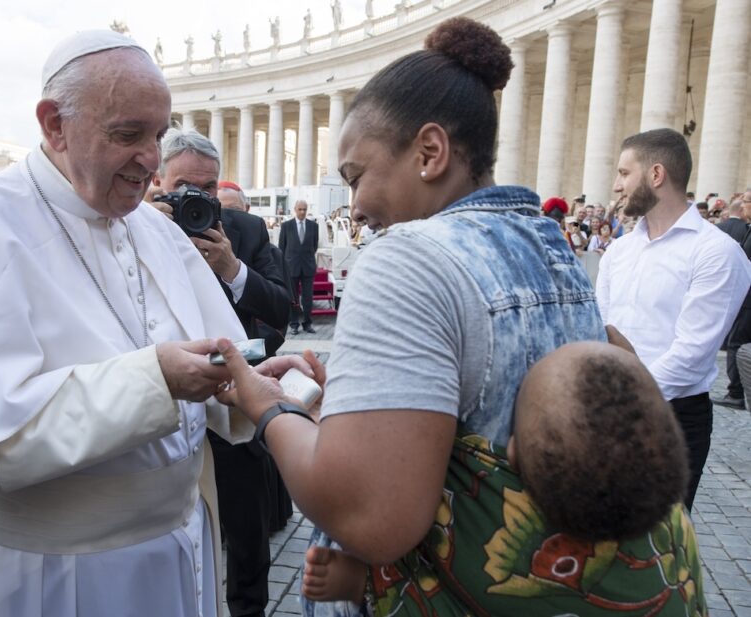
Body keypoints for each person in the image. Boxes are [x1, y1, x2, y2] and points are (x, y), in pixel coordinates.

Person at [216, 17, 706, 617]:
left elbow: (373, 517)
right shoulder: (553, 246)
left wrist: (265, 407)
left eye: (357, 176)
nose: (356, 206)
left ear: (429, 152)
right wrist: (345, 398)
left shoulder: (404, 258)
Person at [0, 31, 309, 617]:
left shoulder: (157, 230)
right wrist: (156, 380)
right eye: (128, 135)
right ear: (54, 124)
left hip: (177, 547)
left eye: (157, 135)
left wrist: (244, 381)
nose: (152, 160)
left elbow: (211, 358)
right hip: (43, 571)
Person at [299, 341, 689, 605]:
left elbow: (433, 594)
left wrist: (362, 581)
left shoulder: (507, 559)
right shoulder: (671, 520)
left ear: (512, 454)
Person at [151, 129, 292, 617]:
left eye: (208, 187)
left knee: (248, 535)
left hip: (234, 404)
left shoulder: (245, 231)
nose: (198, 197)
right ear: (159, 181)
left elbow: (281, 315)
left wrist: (233, 270)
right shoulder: (134, 227)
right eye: (184, 184)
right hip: (161, 412)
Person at [597, 128, 751, 510]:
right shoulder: (620, 251)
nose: (616, 186)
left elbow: (693, 352)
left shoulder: (716, 252)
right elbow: (599, 325)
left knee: (657, 549)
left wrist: (629, 401)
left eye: (623, 173)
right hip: (610, 407)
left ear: (656, 175)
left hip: (673, 418)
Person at [713, 187, 751, 410]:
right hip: (745, 299)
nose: (743, 205)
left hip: (747, 301)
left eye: (745, 201)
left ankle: (736, 392)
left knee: (736, 344)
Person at [279, 200, 319, 335]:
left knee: (308, 298)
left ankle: (307, 323)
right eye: (300, 209)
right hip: (291, 267)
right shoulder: (286, 226)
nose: (302, 212)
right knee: (293, 298)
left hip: (308, 267)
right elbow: (281, 247)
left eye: (305, 209)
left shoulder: (314, 226)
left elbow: (314, 246)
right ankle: (294, 324)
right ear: (295, 209)